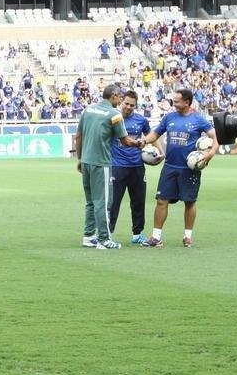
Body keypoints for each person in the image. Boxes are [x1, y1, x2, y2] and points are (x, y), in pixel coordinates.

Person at [139, 88, 217, 248]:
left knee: (189, 202)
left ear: (187, 102)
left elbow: (216, 137)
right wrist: (144, 141)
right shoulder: (169, 117)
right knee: (161, 201)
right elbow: (156, 133)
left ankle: (187, 236)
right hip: (169, 167)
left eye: (176, 101)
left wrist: (210, 153)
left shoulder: (198, 119)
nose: (173, 104)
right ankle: (156, 237)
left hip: (189, 169)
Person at [72, 83, 140, 250]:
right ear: (114, 96)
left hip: (86, 161)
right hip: (101, 163)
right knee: (103, 202)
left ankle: (88, 236)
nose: (121, 99)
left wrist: (80, 159)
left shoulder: (88, 109)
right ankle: (104, 239)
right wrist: (139, 143)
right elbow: (124, 140)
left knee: (90, 201)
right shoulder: (114, 114)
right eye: (120, 96)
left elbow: (78, 136)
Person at [108, 90, 151, 245]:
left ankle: (137, 234)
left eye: (132, 105)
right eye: (126, 103)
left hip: (137, 166)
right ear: (121, 101)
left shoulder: (141, 120)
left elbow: (151, 135)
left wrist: (160, 152)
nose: (128, 107)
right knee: (113, 202)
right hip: (117, 166)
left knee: (139, 201)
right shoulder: (113, 118)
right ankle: (108, 233)